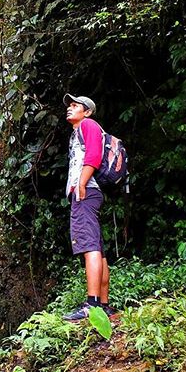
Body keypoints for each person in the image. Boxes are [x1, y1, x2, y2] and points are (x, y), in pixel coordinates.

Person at [62, 93, 114, 320]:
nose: (70, 108)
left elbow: (93, 155)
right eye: (69, 106)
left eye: (75, 106)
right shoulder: (78, 131)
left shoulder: (89, 125)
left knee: (89, 246)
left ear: (87, 111)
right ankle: (103, 304)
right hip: (90, 192)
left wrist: (81, 184)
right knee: (98, 249)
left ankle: (91, 305)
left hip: (85, 191)